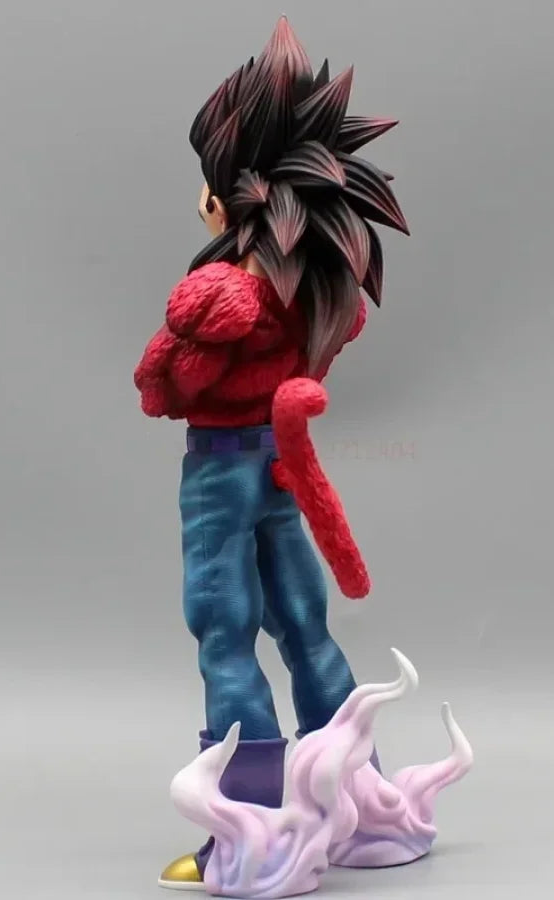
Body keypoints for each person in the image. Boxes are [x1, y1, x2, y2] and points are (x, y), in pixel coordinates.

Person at [133, 16, 409, 889]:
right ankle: (360, 808)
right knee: (303, 625)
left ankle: (249, 831)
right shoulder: (321, 289)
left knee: (225, 636)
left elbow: (161, 390)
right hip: (279, 467)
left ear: (238, 194)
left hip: (221, 468)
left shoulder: (221, 293)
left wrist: (173, 351)